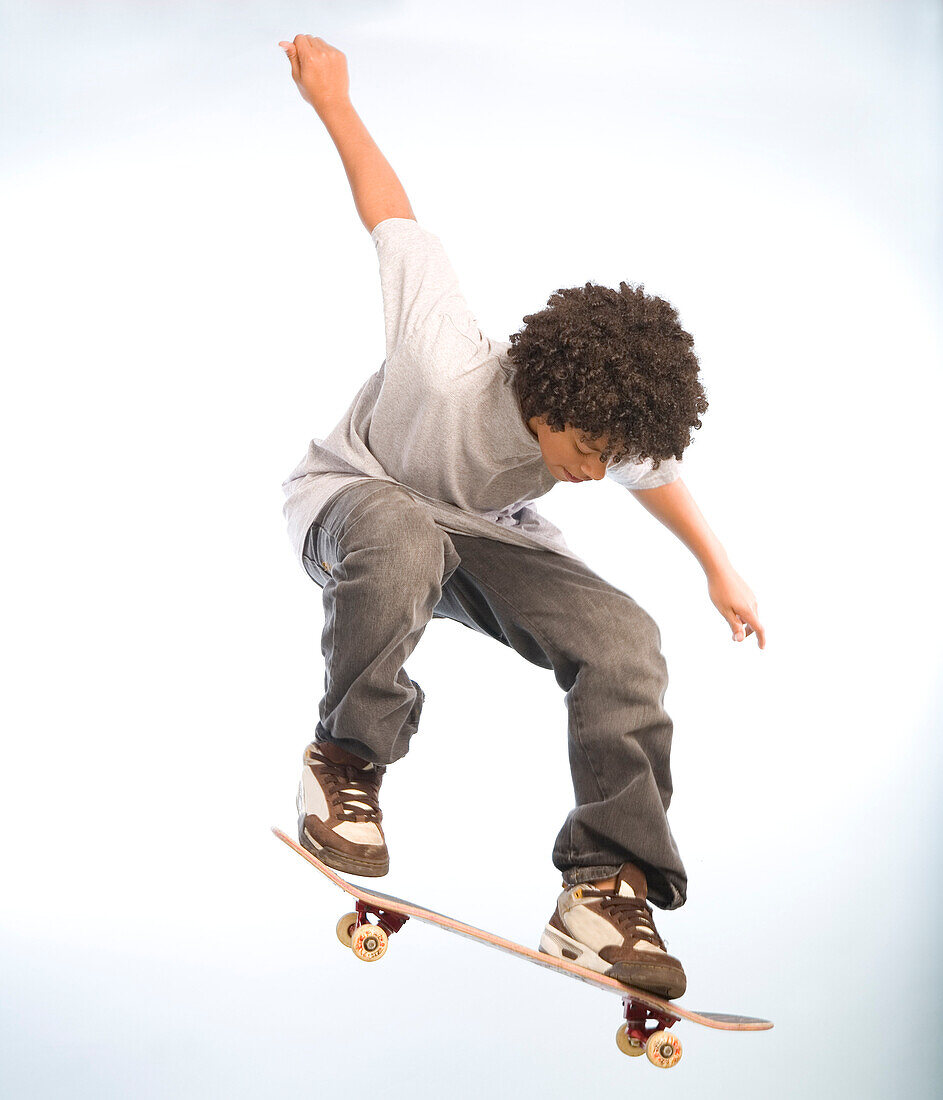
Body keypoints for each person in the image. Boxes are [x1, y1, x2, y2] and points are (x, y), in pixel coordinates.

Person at [276, 34, 766, 1001]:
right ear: (548, 402)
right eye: (584, 452)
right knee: (403, 534)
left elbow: (655, 472)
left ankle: (603, 887)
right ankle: (347, 763)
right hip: (354, 503)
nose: (592, 473)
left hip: (482, 540)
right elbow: (393, 218)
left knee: (625, 639)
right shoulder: (443, 354)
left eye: (604, 459)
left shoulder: (608, 422)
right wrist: (332, 99)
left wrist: (717, 564)